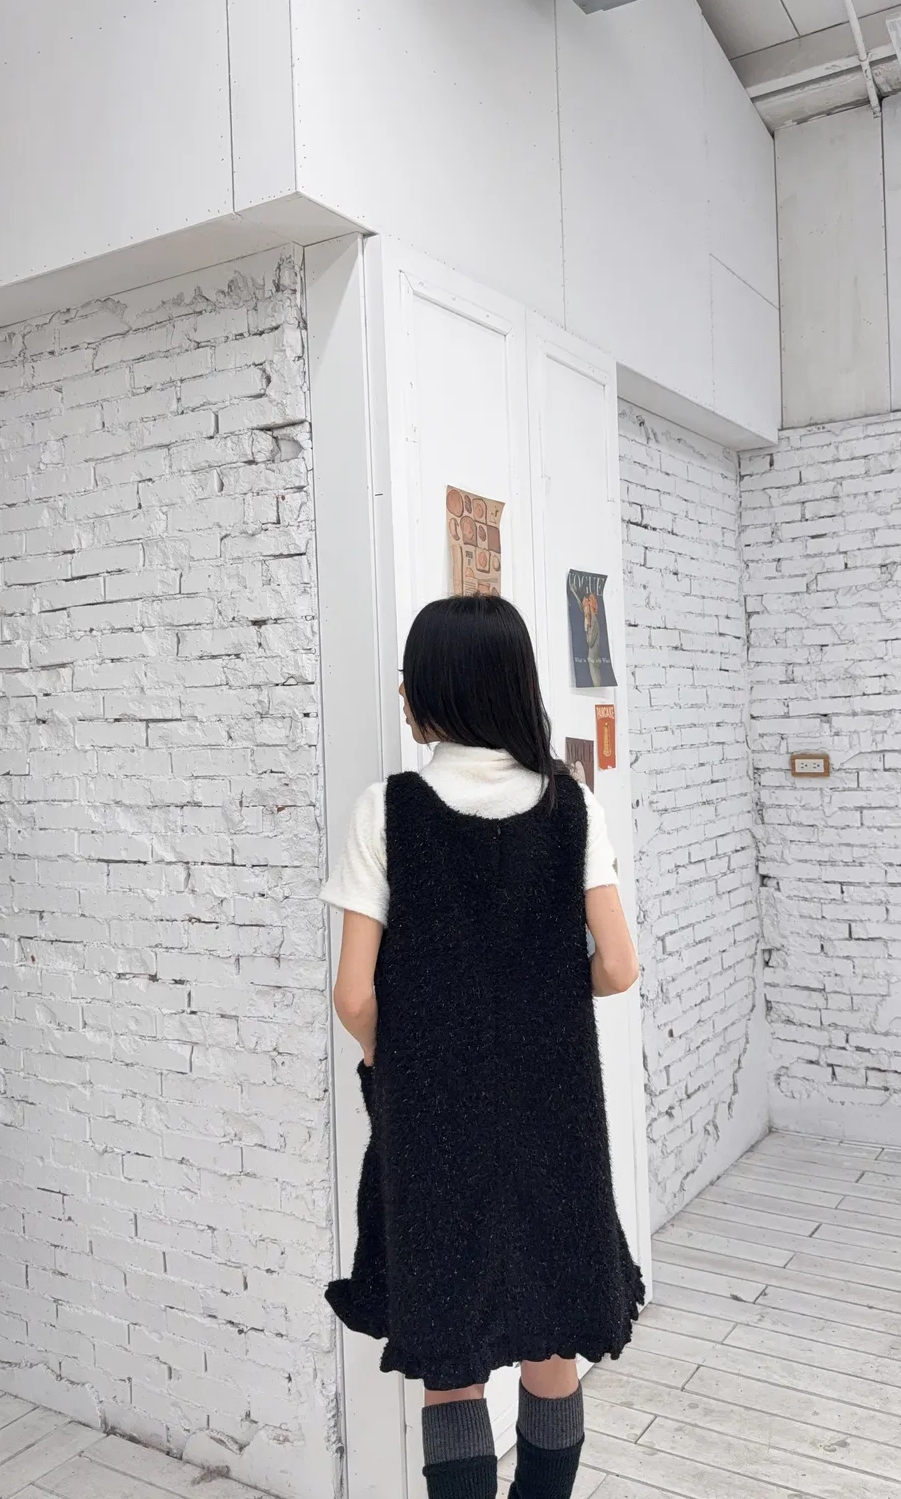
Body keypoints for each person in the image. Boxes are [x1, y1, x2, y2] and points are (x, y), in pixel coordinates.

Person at [321, 594, 645, 1499]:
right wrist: (538, 995)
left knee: (451, 1358)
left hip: (433, 1114)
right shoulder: (572, 805)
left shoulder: (387, 811)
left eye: (410, 679)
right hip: (554, 1105)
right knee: (553, 1338)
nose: (400, 694)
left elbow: (353, 994)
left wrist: (401, 1047)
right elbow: (618, 966)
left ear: (439, 689)